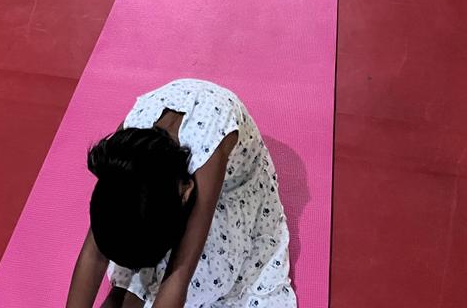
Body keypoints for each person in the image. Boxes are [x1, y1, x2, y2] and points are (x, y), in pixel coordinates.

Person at [65, 78, 296, 308]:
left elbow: (181, 272)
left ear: (186, 192)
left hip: (233, 186)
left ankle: (133, 293)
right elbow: (93, 254)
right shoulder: (124, 154)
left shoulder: (209, 156)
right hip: (166, 179)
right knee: (122, 229)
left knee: (208, 274)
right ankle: (132, 290)